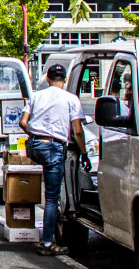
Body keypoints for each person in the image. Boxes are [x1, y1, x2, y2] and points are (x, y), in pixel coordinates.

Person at [19, 62, 90, 253]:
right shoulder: (71, 99)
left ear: (48, 79)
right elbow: (77, 130)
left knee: (45, 183)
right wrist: (83, 153)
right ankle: (48, 242)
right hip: (53, 147)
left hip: (34, 146)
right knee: (52, 198)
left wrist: (34, 134)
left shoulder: (37, 96)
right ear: (65, 80)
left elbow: (23, 122)